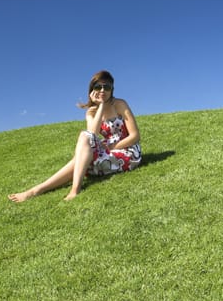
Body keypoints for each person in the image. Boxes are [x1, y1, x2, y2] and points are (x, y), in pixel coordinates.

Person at [8, 70, 141, 202]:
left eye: (106, 87)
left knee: (80, 158)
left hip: (128, 153)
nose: (102, 90)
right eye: (98, 87)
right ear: (92, 90)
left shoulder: (120, 105)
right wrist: (100, 106)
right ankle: (38, 190)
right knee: (84, 138)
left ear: (112, 89)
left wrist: (112, 146)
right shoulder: (91, 112)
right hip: (107, 152)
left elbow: (135, 136)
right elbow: (92, 135)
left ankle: (66, 190)